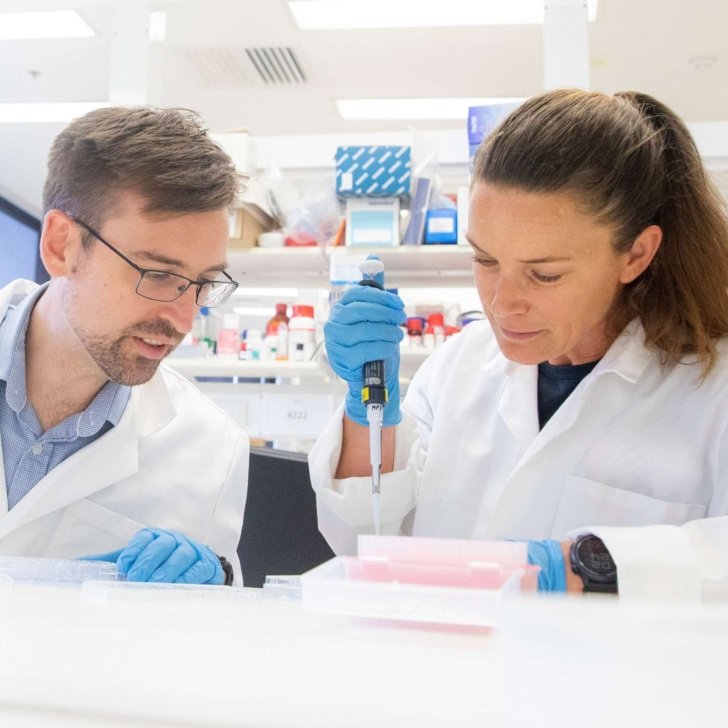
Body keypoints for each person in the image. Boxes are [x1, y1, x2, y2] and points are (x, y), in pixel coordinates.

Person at [310, 89, 728, 600]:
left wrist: (591, 563)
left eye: (545, 274)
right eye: (485, 260)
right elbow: (363, 542)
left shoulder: (712, 387)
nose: (503, 304)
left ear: (636, 254)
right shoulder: (458, 365)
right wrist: (367, 410)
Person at [0, 107, 249, 585]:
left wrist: (216, 589)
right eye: (157, 274)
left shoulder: (211, 450)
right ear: (60, 246)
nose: (182, 318)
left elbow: (207, 641)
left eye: (203, 283)